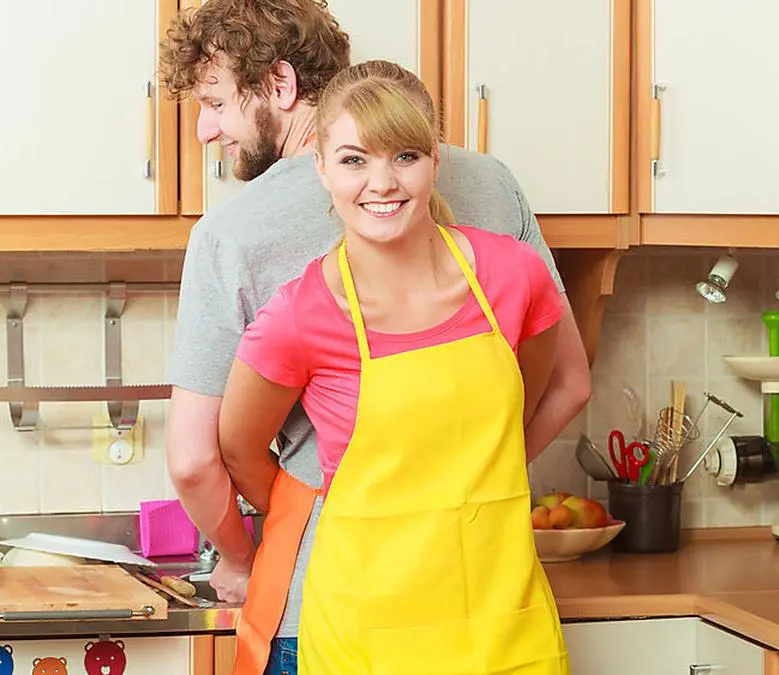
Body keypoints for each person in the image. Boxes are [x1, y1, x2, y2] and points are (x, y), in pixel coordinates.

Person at [159, 1, 591, 672]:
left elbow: (195, 458)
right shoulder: (495, 182)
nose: (203, 128)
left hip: (322, 589)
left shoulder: (232, 231)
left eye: (215, 100)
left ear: (280, 84)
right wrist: (478, 481)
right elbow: (568, 384)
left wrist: (246, 555)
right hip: (481, 587)